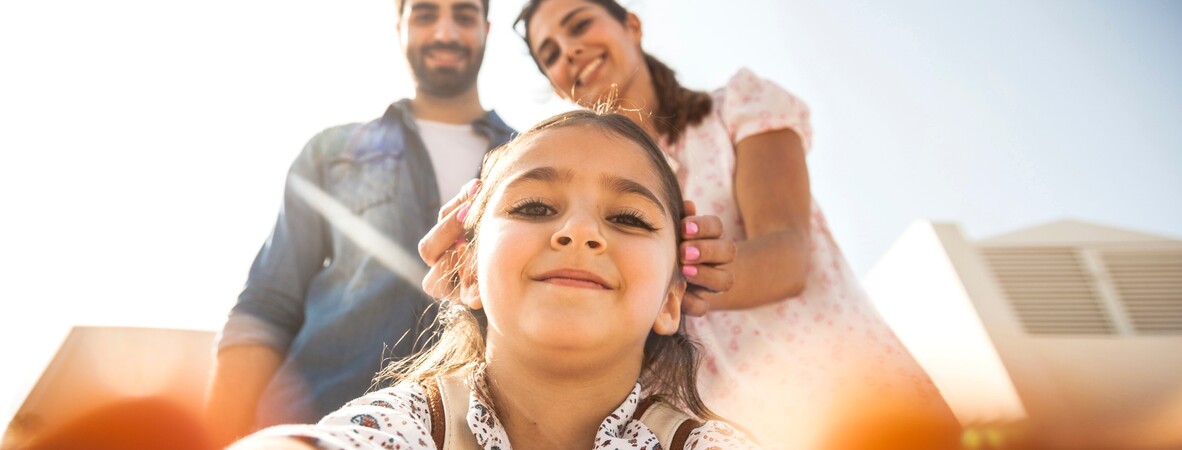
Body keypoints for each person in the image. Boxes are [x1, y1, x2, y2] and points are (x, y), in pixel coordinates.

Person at [418, 0, 963, 448]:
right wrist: (484, 250)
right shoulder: (567, 181)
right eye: (551, 54)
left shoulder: (737, 108)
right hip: (714, 418)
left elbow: (788, 253)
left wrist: (665, 272)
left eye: (579, 25)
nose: (570, 51)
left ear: (632, 26)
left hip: (845, 390)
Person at [205, 0, 732, 446]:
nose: (444, 30)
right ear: (399, 26)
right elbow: (267, 305)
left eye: (462, 14)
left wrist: (676, 261)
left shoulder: (540, 148)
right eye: (533, 207)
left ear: (484, 30)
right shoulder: (332, 152)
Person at [227, 110, 760, 450]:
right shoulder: (406, 423)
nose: (579, 231)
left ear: (671, 301)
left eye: (628, 218)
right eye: (533, 207)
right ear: (468, 273)